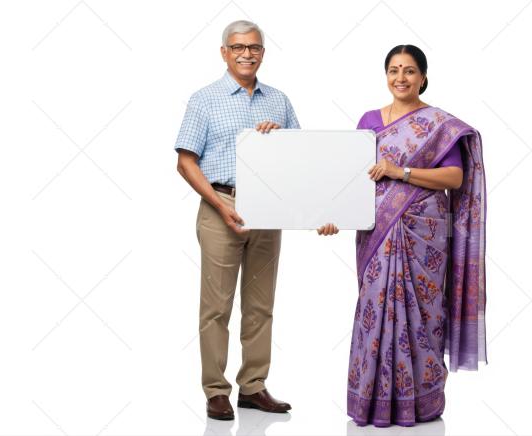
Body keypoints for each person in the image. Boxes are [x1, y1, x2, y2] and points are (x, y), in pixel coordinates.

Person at [317, 44, 488, 427]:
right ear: (386, 76)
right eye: (394, 70)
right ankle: (373, 401)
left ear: (423, 77)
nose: (401, 78)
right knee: (375, 306)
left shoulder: (439, 124)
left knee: (422, 311)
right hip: (377, 229)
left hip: (424, 233)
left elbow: (454, 177)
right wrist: (332, 216)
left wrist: (401, 172)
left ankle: (422, 402)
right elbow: (350, 177)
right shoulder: (369, 120)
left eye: (409, 71)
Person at [174, 20, 299, 421]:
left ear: (263, 52)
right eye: (239, 47)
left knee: (261, 305)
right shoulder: (204, 100)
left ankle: (253, 386)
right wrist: (220, 205)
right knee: (216, 307)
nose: (247, 54)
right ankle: (215, 390)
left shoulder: (278, 101)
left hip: (268, 210)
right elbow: (185, 162)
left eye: (254, 47)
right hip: (220, 205)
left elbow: (301, 157)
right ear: (224, 52)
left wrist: (280, 138)